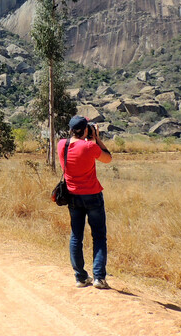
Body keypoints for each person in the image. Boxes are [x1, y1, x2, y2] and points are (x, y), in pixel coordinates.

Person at [58, 115, 113, 289]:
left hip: (73, 195)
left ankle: (81, 278)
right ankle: (99, 278)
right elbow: (108, 158)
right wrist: (97, 139)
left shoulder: (62, 145)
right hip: (93, 195)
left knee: (76, 236)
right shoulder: (90, 147)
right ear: (86, 130)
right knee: (98, 236)